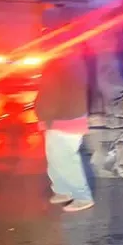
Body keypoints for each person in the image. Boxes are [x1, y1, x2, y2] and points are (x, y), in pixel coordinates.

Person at [34, 14, 93, 212]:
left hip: (63, 119)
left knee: (65, 158)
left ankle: (82, 196)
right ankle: (62, 190)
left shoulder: (59, 62)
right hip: (69, 117)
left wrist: (44, 117)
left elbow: (50, 94)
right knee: (56, 157)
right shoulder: (75, 59)